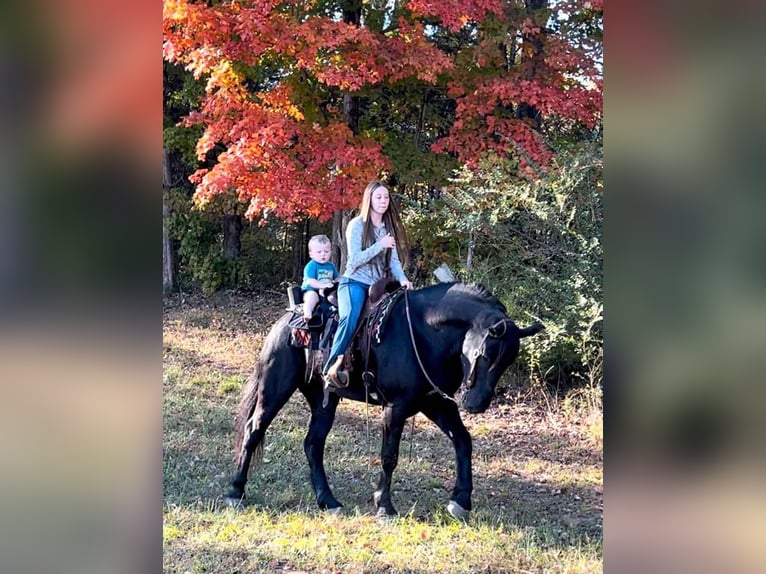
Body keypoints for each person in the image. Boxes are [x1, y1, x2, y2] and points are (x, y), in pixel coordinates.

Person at [323, 181, 413, 388]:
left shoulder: (387, 229)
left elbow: (394, 261)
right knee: (351, 315)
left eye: (386, 197)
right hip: (353, 282)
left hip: (378, 286)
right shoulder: (357, 225)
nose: (383, 201)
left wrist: (403, 279)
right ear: (369, 199)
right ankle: (331, 367)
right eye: (379, 197)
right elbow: (353, 260)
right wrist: (379, 246)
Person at [301, 234, 340, 322]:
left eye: (326, 251)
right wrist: (323, 285)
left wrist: (343, 281)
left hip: (327, 291)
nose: (323, 254)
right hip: (311, 290)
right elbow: (310, 281)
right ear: (311, 254)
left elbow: (337, 278)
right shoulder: (311, 266)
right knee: (312, 297)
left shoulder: (331, 265)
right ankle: (307, 313)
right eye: (319, 252)